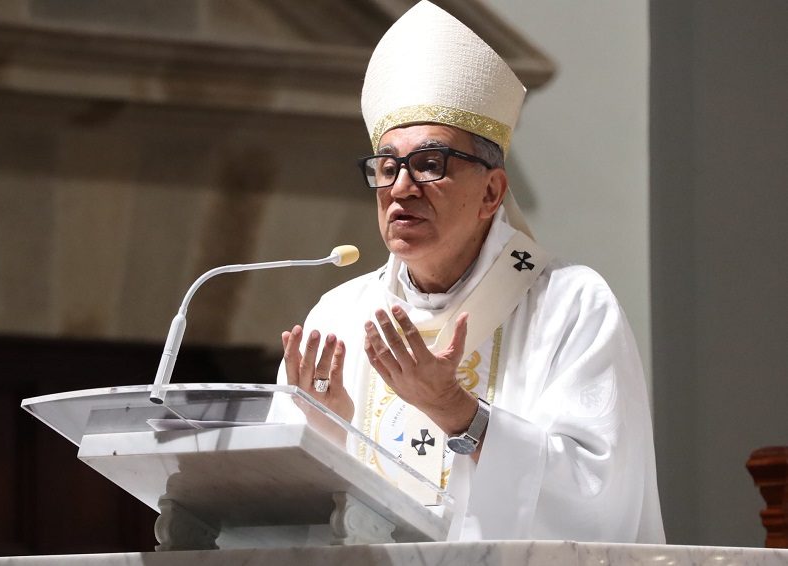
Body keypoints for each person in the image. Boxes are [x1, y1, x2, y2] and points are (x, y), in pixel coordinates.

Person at [278, 0, 664, 543]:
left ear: (491, 192)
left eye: (430, 164)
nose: (401, 189)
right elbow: (284, 513)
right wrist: (323, 436)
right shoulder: (340, 316)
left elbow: (597, 499)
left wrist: (456, 411)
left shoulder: (570, 304)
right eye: (387, 168)